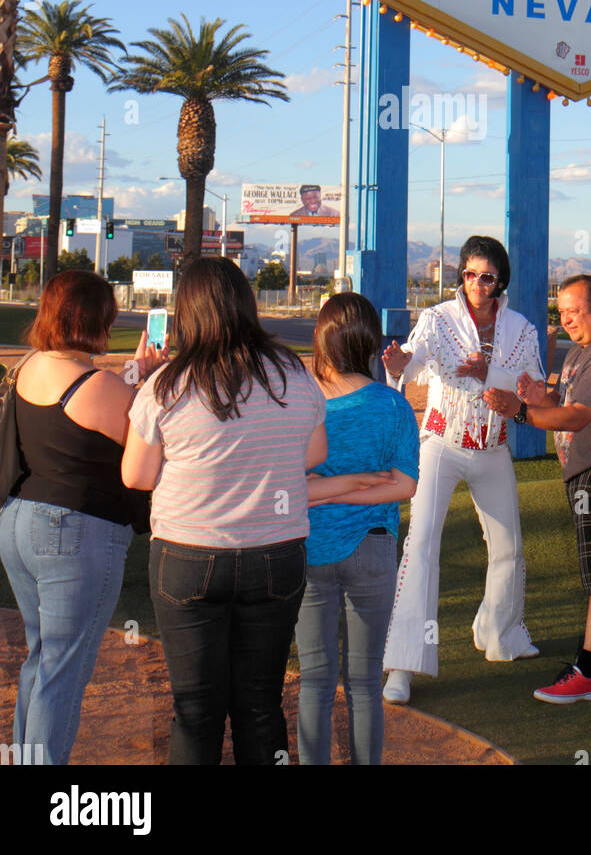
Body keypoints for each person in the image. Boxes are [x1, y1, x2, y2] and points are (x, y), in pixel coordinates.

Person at [122, 257, 329, 765]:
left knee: (196, 709)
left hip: (188, 559)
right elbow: (314, 454)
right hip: (275, 557)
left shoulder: (166, 386)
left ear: (186, 314)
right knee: (260, 704)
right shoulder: (294, 378)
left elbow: (137, 477)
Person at [0, 271, 159, 764]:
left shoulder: (28, 367)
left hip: (18, 523)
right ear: (95, 321)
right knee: (61, 674)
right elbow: (148, 450)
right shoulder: (100, 385)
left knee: (42, 661)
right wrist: (150, 380)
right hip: (75, 531)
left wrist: (133, 377)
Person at [380, 235, 542, 706]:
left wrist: (488, 374)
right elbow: (413, 361)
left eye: (486, 277)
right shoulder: (437, 319)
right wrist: (399, 364)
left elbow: (533, 384)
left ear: (500, 282)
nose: (476, 284)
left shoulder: (521, 328)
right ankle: (402, 666)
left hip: (492, 447)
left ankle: (500, 634)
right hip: (441, 444)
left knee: (508, 546)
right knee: (421, 545)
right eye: (469, 274)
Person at [485, 274, 591, 703]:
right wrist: (541, 397)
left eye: (574, 312)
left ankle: (589, 674)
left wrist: (521, 411)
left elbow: (576, 416)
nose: (566, 319)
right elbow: (566, 401)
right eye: (562, 313)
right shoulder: (584, 349)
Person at [295, 293, 420, 764]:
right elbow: (404, 485)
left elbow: (294, 487)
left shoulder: (301, 400)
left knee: (315, 680)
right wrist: (354, 488)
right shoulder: (392, 405)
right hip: (372, 549)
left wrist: (327, 489)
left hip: (309, 549)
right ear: (370, 341)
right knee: (366, 684)